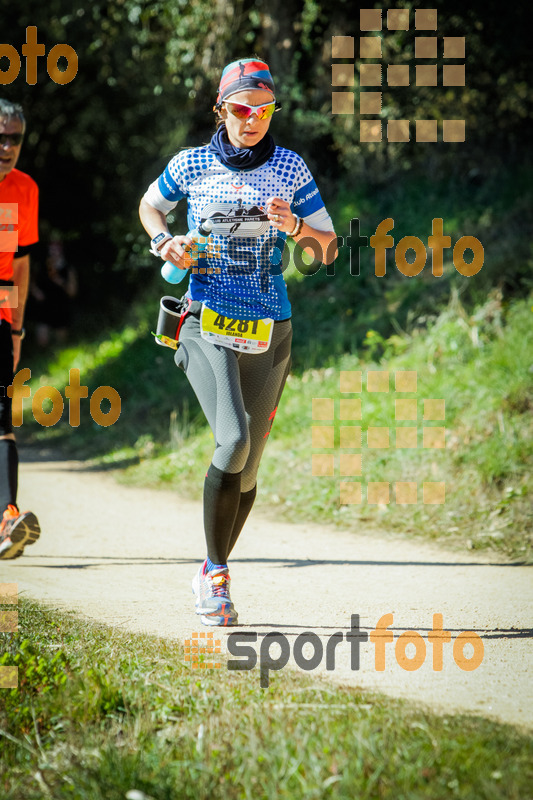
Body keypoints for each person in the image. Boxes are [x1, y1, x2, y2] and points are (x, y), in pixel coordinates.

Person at [139, 58, 336, 625]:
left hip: (271, 326)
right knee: (234, 437)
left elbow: (327, 249)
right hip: (206, 317)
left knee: (246, 470)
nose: (252, 120)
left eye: (263, 110)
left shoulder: (290, 167)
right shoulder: (192, 164)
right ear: (221, 108)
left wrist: (297, 228)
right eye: (241, 108)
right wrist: (164, 243)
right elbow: (151, 207)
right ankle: (217, 575)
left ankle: (209, 568)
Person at [0, 99, 40, 559]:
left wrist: (15, 332)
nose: (8, 147)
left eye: (15, 138)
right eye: (1, 137)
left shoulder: (24, 189)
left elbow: (19, 265)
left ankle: (8, 516)